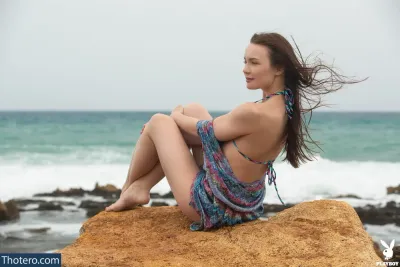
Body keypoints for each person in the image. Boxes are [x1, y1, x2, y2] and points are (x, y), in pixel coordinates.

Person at [105, 32, 364, 231]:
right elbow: (209, 133)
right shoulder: (284, 108)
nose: (245, 69)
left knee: (159, 122)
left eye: (253, 63)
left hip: (211, 206)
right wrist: (177, 125)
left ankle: (128, 190)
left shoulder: (253, 112)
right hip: (242, 207)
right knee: (193, 109)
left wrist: (173, 116)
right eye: (245, 62)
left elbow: (202, 129)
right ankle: (142, 187)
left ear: (278, 68)